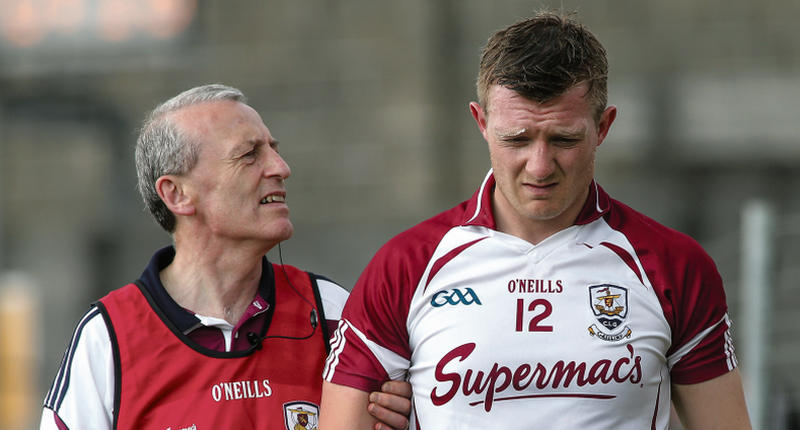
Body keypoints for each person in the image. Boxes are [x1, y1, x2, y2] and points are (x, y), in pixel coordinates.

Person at [319, 12, 752, 429]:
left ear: (603, 127)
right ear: (482, 122)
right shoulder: (407, 266)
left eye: (564, 139)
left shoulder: (674, 264)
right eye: (517, 139)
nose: (540, 166)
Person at [40, 84, 410, 429]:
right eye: (249, 155)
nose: (281, 168)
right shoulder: (107, 339)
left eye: (274, 149)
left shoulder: (332, 312)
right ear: (177, 194)